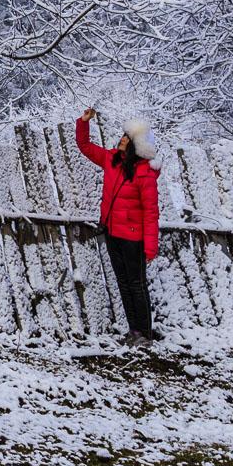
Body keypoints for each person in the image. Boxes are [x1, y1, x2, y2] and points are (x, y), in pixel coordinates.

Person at [75, 107, 161, 345]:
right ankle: (134, 331)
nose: (122, 139)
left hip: (134, 239)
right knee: (124, 283)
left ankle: (144, 334)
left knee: (137, 285)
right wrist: (84, 122)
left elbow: (151, 213)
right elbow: (85, 146)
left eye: (127, 138)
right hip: (112, 233)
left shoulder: (145, 175)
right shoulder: (112, 160)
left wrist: (150, 247)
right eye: (123, 135)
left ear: (136, 145)